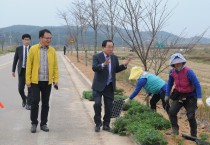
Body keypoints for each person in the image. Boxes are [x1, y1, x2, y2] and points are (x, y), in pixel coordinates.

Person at [92, 40, 131, 132]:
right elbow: (94, 68)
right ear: (103, 47)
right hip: (98, 86)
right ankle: (98, 123)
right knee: (97, 104)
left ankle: (106, 124)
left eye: (112, 47)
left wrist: (124, 65)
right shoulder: (97, 56)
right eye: (108, 47)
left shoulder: (114, 58)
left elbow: (116, 69)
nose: (110, 49)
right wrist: (103, 64)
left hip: (109, 86)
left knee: (109, 106)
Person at [26, 29, 59, 133]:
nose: (49, 40)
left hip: (47, 82)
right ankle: (34, 123)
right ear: (41, 38)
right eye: (47, 38)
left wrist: (55, 80)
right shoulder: (33, 49)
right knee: (35, 101)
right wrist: (28, 80)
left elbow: (55, 67)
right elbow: (29, 65)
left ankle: (43, 123)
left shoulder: (52, 50)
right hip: (35, 81)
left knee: (45, 103)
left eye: (50, 38)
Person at [164, 53, 204, 137]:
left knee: (190, 116)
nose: (178, 64)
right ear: (173, 64)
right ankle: (175, 130)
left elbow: (197, 84)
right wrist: (167, 95)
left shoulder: (188, 72)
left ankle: (193, 135)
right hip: (179, 94)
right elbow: (169, 83)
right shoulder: (172, 72)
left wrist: (199, 98)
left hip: (190, 95)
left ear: (183, 62)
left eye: (180, 62)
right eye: (176, 63)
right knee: (172, 112)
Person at [12, 34, 32, 110]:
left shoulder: (32, 48)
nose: (27, 41)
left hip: (30, 72)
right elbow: (15, 60)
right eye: (25, 39)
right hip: (22, 71)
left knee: (30, 89)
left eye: (28, 39)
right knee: (20, 89)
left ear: (30, 40)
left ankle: (29, 104)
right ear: (22, 40)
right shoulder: (18, 49)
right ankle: (24, 99)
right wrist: (13, 70)